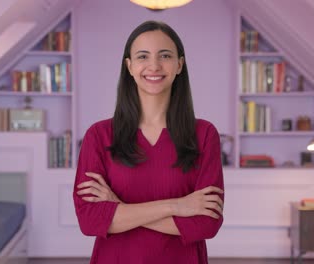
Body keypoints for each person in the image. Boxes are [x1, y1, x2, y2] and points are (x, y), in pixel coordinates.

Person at [73, 20, 224, 264]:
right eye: (143, 56)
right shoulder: (98, 135)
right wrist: (177, 206)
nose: (154, 65)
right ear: (130, 66)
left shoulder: (204, 134)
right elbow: (90, 220)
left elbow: (206, 224)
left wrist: (119, 208)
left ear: (179, 65)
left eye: (165, 55)